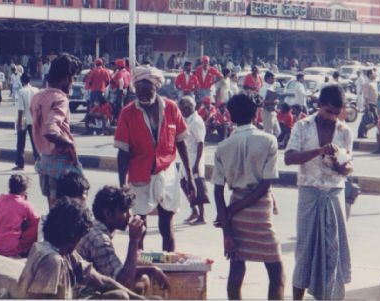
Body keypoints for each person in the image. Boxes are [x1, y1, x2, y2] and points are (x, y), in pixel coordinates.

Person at [114, 65, 195, 252]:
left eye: (147, 89)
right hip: (139, 175)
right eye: (139, 90)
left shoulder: (171, 108)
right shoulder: (127, 113)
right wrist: (122, 185)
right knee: (139, 228)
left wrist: (190, 176)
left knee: (166, 227)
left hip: (167, 174)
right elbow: (123, 153)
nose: (142, 94)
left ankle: (168, 263)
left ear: (155, 87)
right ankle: (138, 265)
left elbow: (181, 143)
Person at [212, 93, 284, 300]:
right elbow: (265, 185)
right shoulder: (269, 140)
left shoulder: (222, 147)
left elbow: (218, 192)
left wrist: (227, 227)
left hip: (235, 212)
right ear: (256, 114)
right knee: (277, 272)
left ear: (231, 116)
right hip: (260, 210)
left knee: (236, 266)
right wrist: (230, 211)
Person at [284, 85, 353, 300]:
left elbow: (348, 167)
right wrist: (318, 151)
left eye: (336, 113)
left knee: (333, 249)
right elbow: (289, 158)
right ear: (319, 105)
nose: (332, 117)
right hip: (310, 192)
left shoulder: (345, 131)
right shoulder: (303, 126)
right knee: (305, 249)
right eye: (328, 111)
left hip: (334, 192)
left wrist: (339, 164)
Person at [17, 197, 143, 300]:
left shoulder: (65, 252)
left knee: (119, 296)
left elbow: (99, 280)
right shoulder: (51, 260)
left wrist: (139, 299)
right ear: (74, 236)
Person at [77, 186, 170, 294]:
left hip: (94, 284)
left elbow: (116, 271)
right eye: (124, 210)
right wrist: (134, 240)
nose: (129, 215)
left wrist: (152, 270)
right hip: (84, 293)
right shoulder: (99, 239)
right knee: (131, 290)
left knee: (143, 279)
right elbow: (123, 283)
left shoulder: (96, 228)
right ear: (107, 213)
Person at [30, 53, 84, 209]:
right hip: (62, 166)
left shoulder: (38, 96)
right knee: (73, 211)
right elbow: (50, 130)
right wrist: (70, 145)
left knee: (54, 212)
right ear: (66, 78)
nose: (73, 82)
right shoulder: (60, 98)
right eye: (73, 77)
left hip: (45, 162)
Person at [0, 174, 39, 258]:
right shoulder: (25, 204)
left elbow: (0, 207)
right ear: (25, 189)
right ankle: (24, 246)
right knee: (38, 223)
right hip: (8, 247)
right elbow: (36, 220)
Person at [178, 96, 209, 225]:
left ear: (189, 107)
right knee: (183, 183)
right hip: (187, 156)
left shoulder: (196, 121)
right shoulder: (187, 120)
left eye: (183, 109)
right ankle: (194, 210)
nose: (181, 111)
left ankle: (202, 216)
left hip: (195, 157)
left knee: (197, 186)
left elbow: (200, 143)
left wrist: (196, 163)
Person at [14, 73, 39, 171]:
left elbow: (21, 109)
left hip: (24, 120)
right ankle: (39, 163)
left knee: (20, 143)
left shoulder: (21, 91)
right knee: (35, 143)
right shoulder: (36, 90)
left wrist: (19, 123)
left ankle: (20, 164)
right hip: (34, 120)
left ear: (22, 81)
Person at [358, 69, 379, 139]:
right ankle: (362, 132)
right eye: (373, 73)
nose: (375, 74)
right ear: (370, 75)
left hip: (374, 103)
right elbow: (366, 95)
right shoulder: (366, 83)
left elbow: (376, 92)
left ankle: (362, 133)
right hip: (369, 104)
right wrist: (367, 105)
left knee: (367, 119)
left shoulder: (374, 82)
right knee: (375, 119)